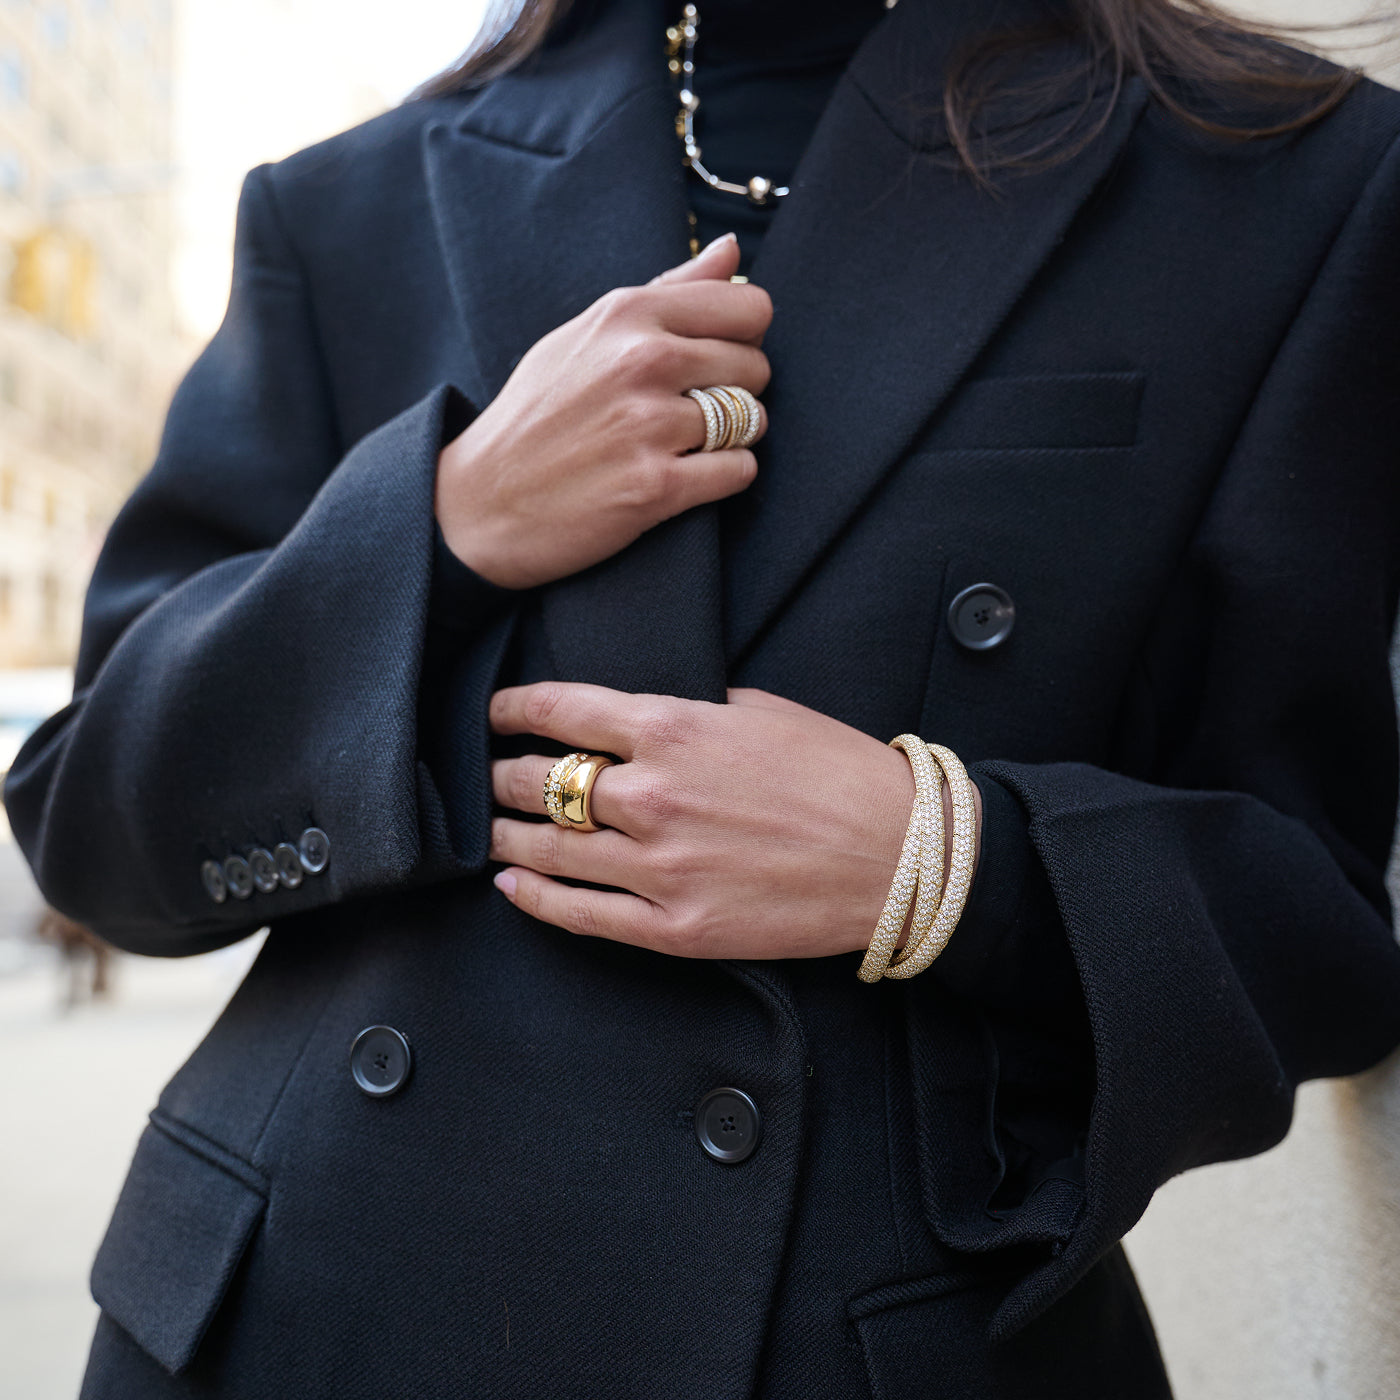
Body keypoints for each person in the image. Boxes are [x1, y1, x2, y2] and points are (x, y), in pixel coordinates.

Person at [7, 0, 1400, 1394]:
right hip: (305, 1314)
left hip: (864, 1348)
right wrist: (443, 522)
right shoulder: (351, 200)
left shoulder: (1280, 172)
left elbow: (1318, 941)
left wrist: (941, 865)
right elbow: (93, 829)